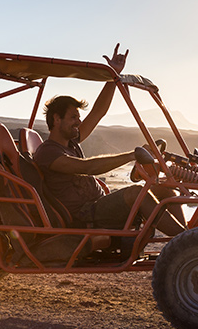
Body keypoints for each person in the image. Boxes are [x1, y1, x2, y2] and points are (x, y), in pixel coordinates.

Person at [33, 44, 186, 236]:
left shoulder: (71, 142)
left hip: (98, 205)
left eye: (78, 118)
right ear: (56, 119)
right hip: (83, 215)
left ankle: (185, 237)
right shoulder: (48, 152)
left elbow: (98, 113)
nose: (78, 122)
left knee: (165, 192)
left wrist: (113, 76)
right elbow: (87, 168)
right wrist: (132, 155)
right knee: (136, 193)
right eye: (73, 117)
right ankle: (188, 239)